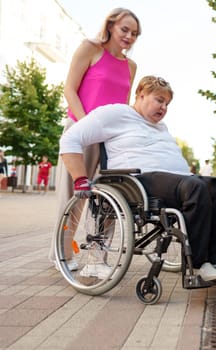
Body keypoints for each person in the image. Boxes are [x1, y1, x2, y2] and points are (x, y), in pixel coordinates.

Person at [59, 76, 216, 281]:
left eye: (167, 103)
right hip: (139, 180)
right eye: (159, 100)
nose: (164, 107)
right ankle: (199, 263)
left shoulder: (161, 127)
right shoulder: (115, 113)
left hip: (176, 181)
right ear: (141, 94)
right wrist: (79, 178)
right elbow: (70, 138)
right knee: (195, 187)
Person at [50, 8, 141, 269]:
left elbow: (123, 104)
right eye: (125, 29)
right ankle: (62, 253)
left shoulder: (130, 66)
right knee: (74, 196)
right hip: (80, 130)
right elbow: (69, 88)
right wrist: (87, 123)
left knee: (112, 198)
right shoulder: (89, 48)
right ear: (111, 26)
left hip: (110, 138)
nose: (129, 36)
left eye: (134, 33)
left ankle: (98, 256)